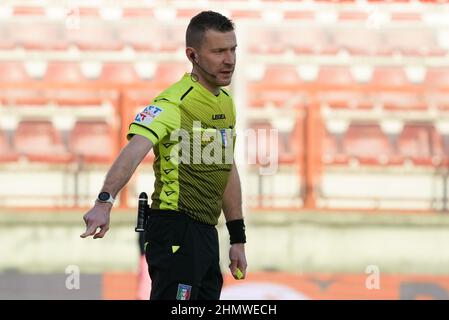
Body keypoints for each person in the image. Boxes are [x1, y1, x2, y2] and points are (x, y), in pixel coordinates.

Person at [80, 11, 247, 300]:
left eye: (232, 49)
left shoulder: (226, 103)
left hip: (207, 234)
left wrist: (237, 237)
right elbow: (133, 150)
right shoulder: (173, 103)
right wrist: (104, 201)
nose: (229, 59)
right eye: (219, 51)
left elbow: (226, 168)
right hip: (175, 229)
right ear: (192, 55)